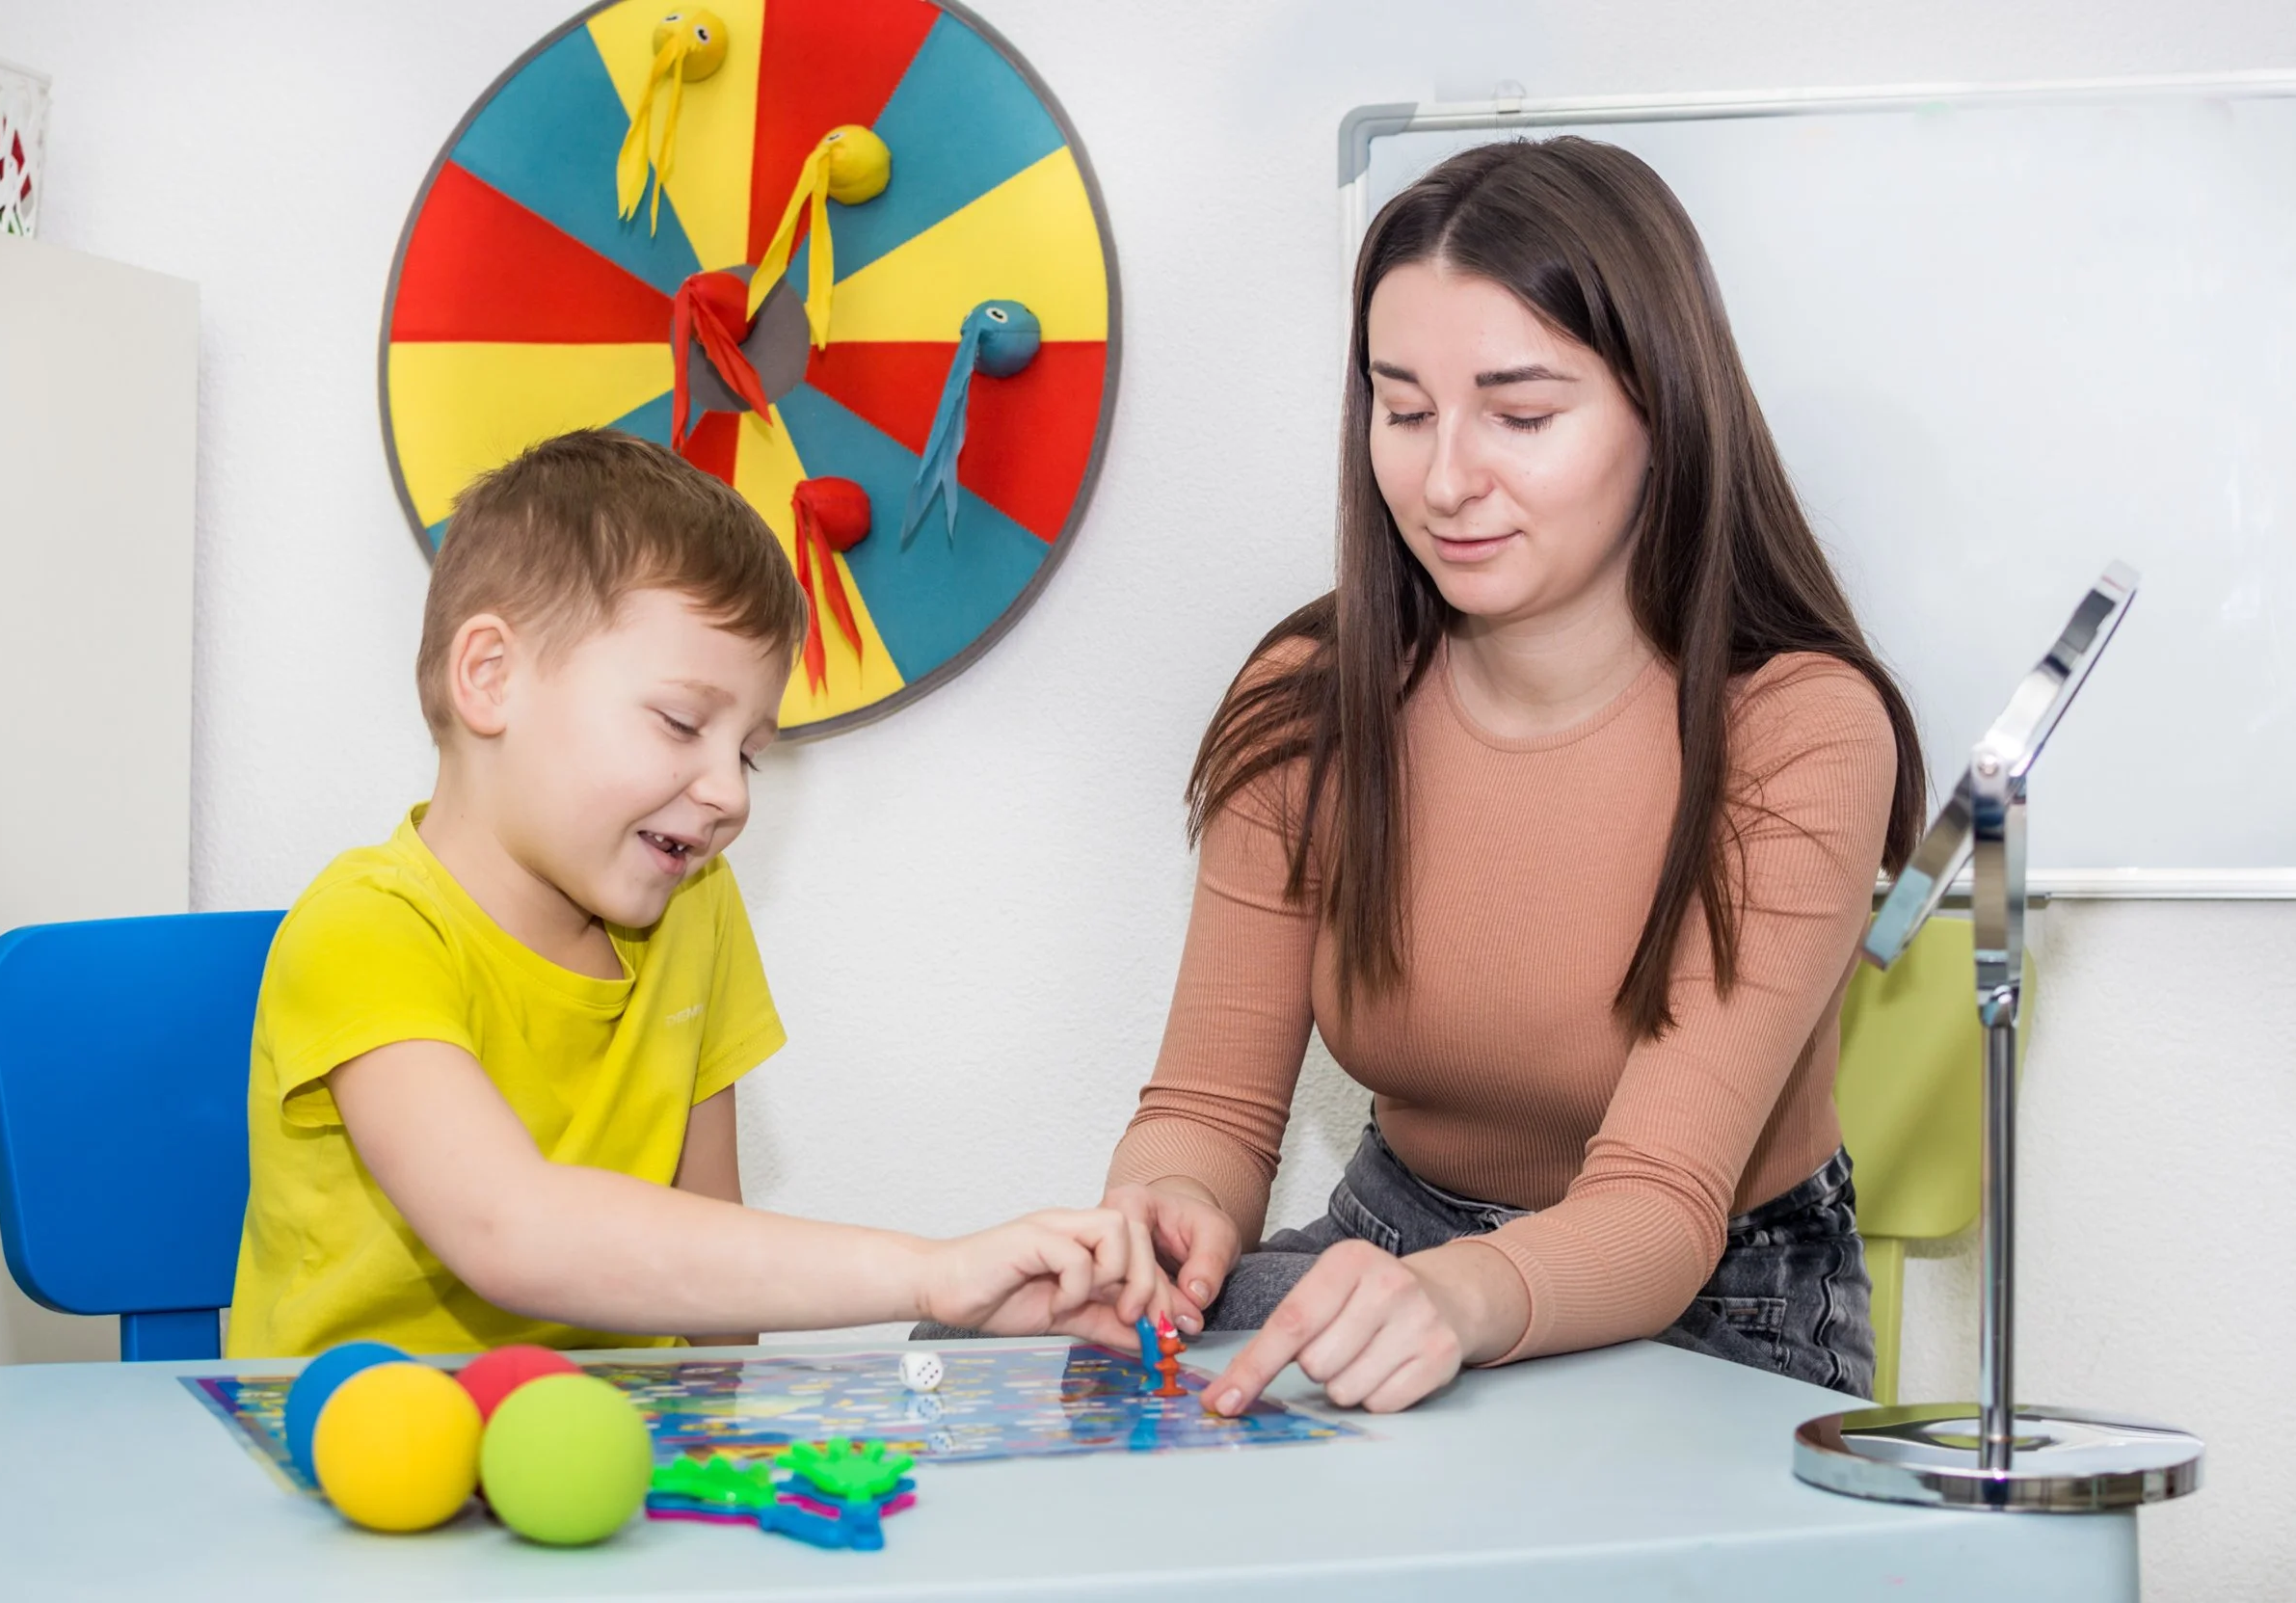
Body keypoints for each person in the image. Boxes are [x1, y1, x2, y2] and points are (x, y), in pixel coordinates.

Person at [1102, 138, 1926, 1415]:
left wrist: (1458, 1295)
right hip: (1389, 1247)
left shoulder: (1803, 727)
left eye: (1522, 416)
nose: (1444, 480)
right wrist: (1166, 1212)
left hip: (1721, 1296)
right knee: (1026, 1367)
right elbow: (1207, 1110)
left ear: (1664, 408)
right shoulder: (1309, 698)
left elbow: (1656, 1207)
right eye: (1406, 409)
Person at [228, 431, 1154, 1357]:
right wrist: (930, 1272)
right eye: (681, 723)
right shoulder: (365, 926)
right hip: (355, 1452)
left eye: (749, 751)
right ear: (491, 677)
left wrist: (726, 1462)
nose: (730, 791)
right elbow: (509, 1229)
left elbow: (711, 1263)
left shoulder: (696, 902)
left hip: (614, 1457)